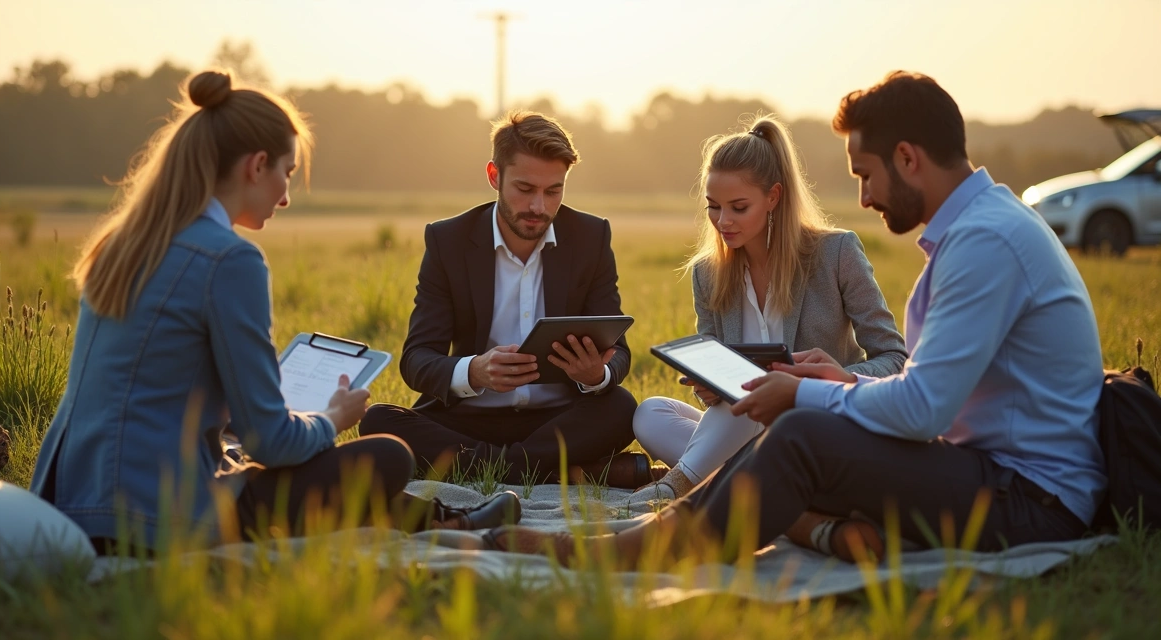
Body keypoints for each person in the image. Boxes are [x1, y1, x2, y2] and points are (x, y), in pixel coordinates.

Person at [483, 71, 1105, 566]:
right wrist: (842, 387)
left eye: (866, 175)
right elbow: (928, 396)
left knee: (801, 438)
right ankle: (813, 530)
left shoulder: (986, 244)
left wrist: (809, 392)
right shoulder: (979, 231)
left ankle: (639, 547)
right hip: (988, 471)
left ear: (909, 159)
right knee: (792, 446)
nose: (863, 197)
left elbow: (923, 410)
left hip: (1030, 497)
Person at [30, 70, 518, 554]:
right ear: (256, 165)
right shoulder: (230, 258)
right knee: (386, 455)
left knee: (261, 460)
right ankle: (449, 519)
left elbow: (161, 398)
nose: (285, 195)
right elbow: (272, 443)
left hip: (67, 503)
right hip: (156, 517)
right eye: (286, 172)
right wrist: (331, 416)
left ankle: (443, 519)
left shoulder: (122, 244)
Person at [359, 111, 648, 488]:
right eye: (525, 189)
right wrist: (474, 371)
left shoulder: (591, 237)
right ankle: (563, 472)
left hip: (555, 420)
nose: (539, 207)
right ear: (495, 176)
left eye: (553, 191)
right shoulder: (448, 241)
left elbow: (619, 353)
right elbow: (417, 360)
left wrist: (595, 376)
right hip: (467, 420)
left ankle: (490, 469)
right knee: (378, 420)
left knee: (621, 407)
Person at [633, 114, 906, 500]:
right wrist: (708, 389)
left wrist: (829, 379)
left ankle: (678, 484)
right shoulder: (708, 273)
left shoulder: (836, 252)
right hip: (742, 424)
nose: (722, 222)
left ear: (773, 197)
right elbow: (715, 385)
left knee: (754, 398)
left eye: (738, 207)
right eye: (713, 207)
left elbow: (894, 358)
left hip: (818, 419)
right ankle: (741, 476)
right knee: (651, 413)